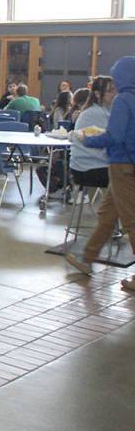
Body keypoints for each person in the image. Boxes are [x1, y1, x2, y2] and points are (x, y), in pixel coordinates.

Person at [66, 57, 135, 293]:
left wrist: (88, 139)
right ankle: (87, 258)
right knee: (107, 215)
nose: (114, 85)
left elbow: (114, 136)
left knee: (131, 221)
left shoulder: (124, 100)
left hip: (122, 166)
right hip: (130, 163)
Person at [68, 76, 113, 190]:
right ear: (97, 94)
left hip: (85, 167)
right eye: (110, 91)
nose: (115, 93)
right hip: (90, 169)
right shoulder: (96, 113)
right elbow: (112, 139)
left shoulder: (101, 110)